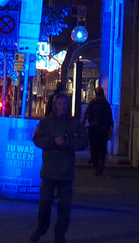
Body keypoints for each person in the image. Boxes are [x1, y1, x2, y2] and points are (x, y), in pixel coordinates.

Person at [30, 87, 87, 243]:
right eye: (59, 104)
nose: (62, 106)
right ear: (55, 106)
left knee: (65, 206)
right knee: (45, 202)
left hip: (66, 172)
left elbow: (83, 142)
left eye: (65, 104)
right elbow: (37, 139)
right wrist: (53, 141)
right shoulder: (46, 122)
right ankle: (42, 228)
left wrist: (69, 143)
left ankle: (60, 234)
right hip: (49, 170)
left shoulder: (74, 123)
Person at [81, 86, 114, 175]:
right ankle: (101, 161)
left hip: (94, 127)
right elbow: (109, 116)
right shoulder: (106, 104)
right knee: (102, 146)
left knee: (93, 146)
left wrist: (88, 122)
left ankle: (96, 164)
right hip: (103, 128)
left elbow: (88, 115)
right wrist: (110, 125)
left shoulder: (92, 103)